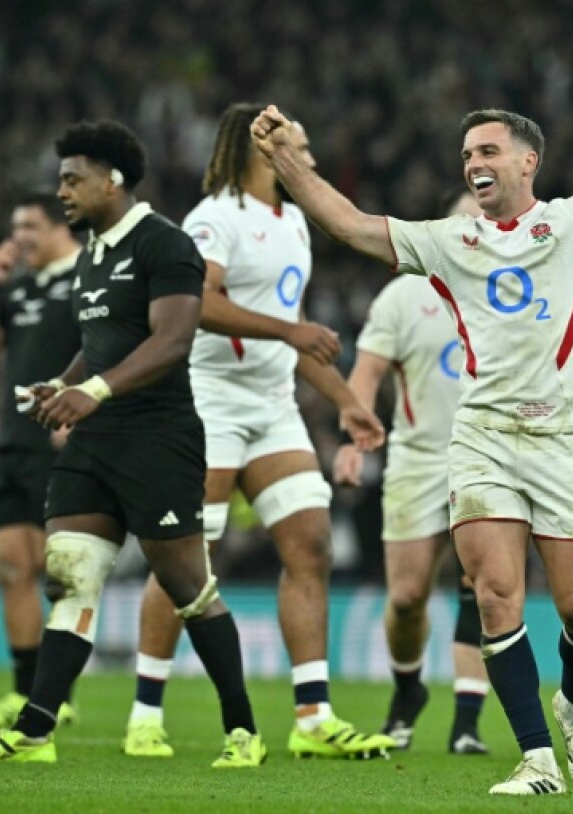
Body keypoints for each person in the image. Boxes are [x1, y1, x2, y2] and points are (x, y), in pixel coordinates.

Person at [252, 40, 573, 795]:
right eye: (466, 153)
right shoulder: (450, 241)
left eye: (486, 150)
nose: (472, 162)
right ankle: (536, 756)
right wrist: (286, 157)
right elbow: (348, 225)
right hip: (482, 436)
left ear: (526, 163)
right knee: (493, 593)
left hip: (567, 436)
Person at [0, 120, 264, 767]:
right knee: (71, 576)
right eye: (60, 178)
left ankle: (243, 731)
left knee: (187, 586)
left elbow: (172, 340)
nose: (62, 190)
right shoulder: (92, 253)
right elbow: (98, 348)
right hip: (96, 443)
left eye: (73, 178)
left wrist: (92, 390)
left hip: (159, 440)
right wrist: (58, 385)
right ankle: (35, 732)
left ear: (112, 180)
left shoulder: (165, 244)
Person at [120, 103, 393, 760]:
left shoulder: (294, 221)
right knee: (186, 558)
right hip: (208, 403)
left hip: (273, 406)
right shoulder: (215, 217)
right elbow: (200, 305)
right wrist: (291, 331)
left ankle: (313, 716)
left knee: (312, 545)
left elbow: (289, 330)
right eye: (298, 140)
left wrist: (344, 402)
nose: (311, 151)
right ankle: (144, 715)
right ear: (263, 148)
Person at [333, 190, 491, 756]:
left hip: (490, 455)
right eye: (463, 223)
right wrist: (355, 438)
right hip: (418, 460)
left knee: (481, 590)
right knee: (405, 597)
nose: (473, 231)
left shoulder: (511, 292)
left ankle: (467, 722)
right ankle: (407, 693)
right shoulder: (404, 295)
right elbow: (369, 370)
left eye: (484, 222)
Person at [0, 192, 82, 728]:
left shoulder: (86, 276)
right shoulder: (22, 284)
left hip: (65, 440)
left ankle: (58, 694)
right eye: (14, 228)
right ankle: (20, 691)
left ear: (56, 227)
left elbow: (109, 348)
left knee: (61, 573)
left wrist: (82, 413)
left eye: (28, 226)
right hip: (16, 442)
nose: (19, 236)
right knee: (12, 564)